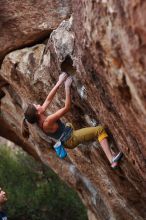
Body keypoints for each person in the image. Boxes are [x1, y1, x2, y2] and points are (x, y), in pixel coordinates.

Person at [22, 72, 123, 168]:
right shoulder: (47, 121)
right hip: (71, 138)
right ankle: (112, 160)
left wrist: (59, 82)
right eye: (36, 106)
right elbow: (66, 108)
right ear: (37, 112)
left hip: (68, 133)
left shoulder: (40, 117)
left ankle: (109, 151)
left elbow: (48, 99)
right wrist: (67, 87)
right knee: (99, 130)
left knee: (90, 129)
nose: (39, 104)